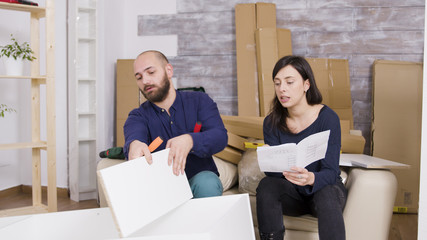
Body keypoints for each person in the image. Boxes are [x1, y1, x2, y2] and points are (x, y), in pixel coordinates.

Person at [256, 55, 348, 240]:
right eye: (277, 83)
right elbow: (274, 177)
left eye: (290, 82)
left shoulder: (328, 118)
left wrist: (311, 178)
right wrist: (271, 160)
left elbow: (331, 172)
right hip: (293, 195)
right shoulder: (271, 122)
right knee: (266, 185)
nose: (282, 89)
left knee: (327, 191)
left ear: (306, 85)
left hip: (323, 190)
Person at [123, 50, 228, 198]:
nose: (145, 81)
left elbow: (220, 137)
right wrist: (134, 144)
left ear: (169, 70)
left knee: (207, 183)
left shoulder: (200, 101)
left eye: (151, 72)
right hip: (161, 190)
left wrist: (190, 140)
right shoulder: (137, 116)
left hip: (199, 182)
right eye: (139, 77)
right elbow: (134, 135)